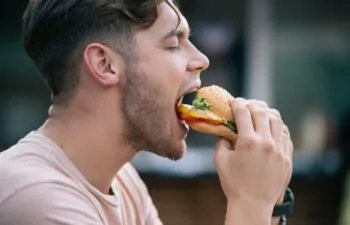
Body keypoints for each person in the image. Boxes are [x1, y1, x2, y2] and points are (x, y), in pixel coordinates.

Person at [0, 0, 294, 224]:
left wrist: (271, 204)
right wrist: (251, 201)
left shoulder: (123, 182)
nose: (201, 59)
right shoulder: (34, 197)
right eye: (173, 43)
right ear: (104, 64)